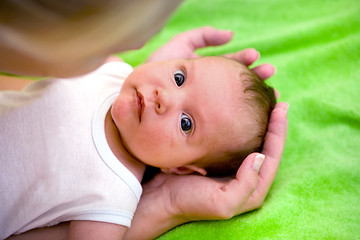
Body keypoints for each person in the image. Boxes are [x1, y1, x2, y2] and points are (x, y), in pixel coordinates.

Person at [1, 50, 276, 238]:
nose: (163, 97)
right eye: (178, 77)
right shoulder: (112, 71)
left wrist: (171, 205)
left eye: (186, 123)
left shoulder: (114, 198)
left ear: (180, 169)